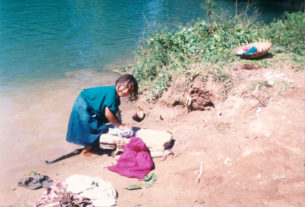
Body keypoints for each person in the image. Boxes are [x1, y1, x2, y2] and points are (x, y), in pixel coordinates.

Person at [66, 74, 138, 156]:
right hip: (83, 104)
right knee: (94, 128)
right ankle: (86, 151)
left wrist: (120, 124)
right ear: (117, 83)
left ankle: (90, 146)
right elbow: (108, 114)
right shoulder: (111, 94)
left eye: (129, 91)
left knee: (97, 125)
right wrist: (119, 125)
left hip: (85, 101)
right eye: (124, 87)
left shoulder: (114, 95)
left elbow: (113, 112)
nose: (125, 91)